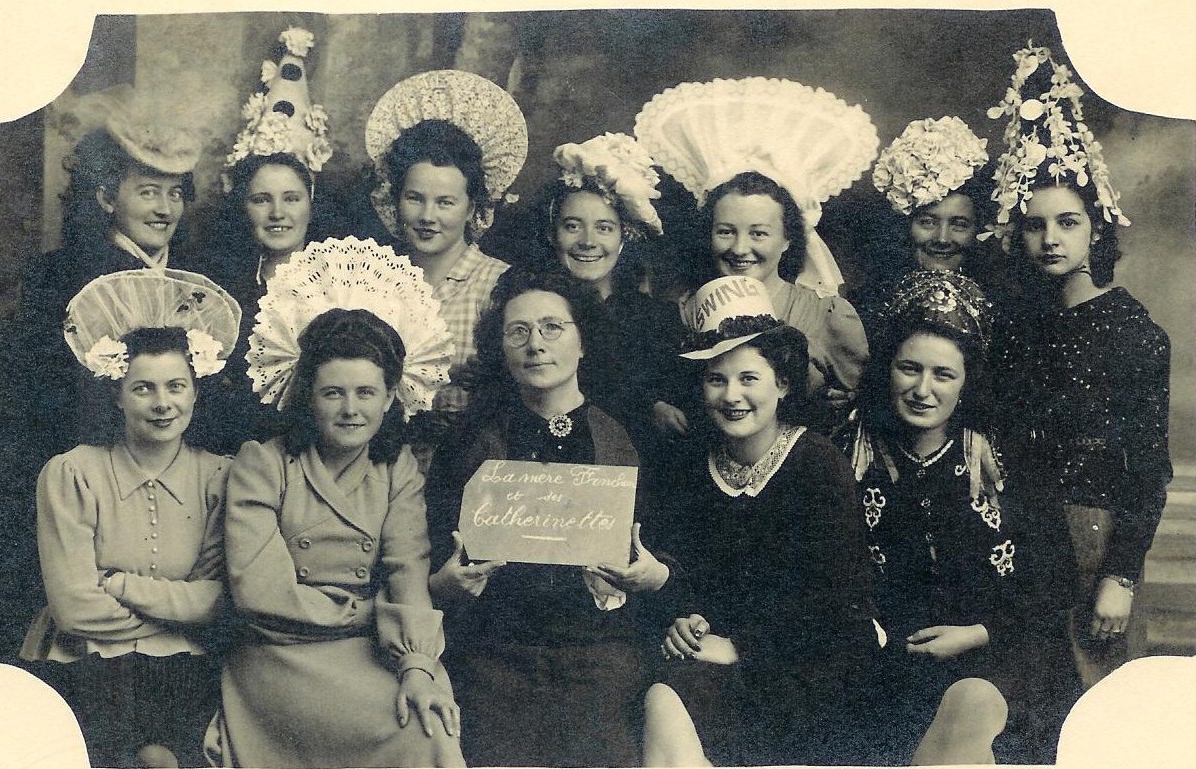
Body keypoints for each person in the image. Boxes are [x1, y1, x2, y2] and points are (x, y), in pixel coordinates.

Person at [207, 240, 464, 768]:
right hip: (281, 654)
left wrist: (417, 666)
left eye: (366, 393)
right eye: (333, 393)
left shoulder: (397, 468)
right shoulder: (263, 463)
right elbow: (260, 595)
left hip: (378, 649)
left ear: (390, 398)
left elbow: (407, 569)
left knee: (429, 729)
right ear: (308, 396)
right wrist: (369, 614)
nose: (351, 410)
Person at [986, 45, 1172, 691]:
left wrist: (1120, 576)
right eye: (1034, 226)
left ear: (1095, 228)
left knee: (1098, 693)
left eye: (1067, 222)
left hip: (1093, 538)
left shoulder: (1131, 331)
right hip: (1018, 533)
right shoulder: (1015, 326)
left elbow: (1148, 467)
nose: (1050, 239)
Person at [425, 268, 666, 767]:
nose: (535, 344)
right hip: (493, 654)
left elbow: (666, 551)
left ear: (583, 341)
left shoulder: (628, 437)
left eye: (552, 328)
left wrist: (653, 572)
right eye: (518, 331)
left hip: (601, 652)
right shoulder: (469, 441)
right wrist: (444, 584)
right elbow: (431, 553)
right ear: (501, 348)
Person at [642, 275, 877, 767]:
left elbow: (841, 598)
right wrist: (685, 618)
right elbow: (686, 572)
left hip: (811, 666)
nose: (732, 395)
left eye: (749, 378)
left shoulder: (817, 463)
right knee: (663, 697)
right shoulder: (691, 467)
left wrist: (740, 646)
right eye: (716, 379)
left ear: (782, 383)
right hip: (717, 661)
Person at [18, 269, 241, 768]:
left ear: (196, 392)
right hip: (86, 667)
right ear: (117, 394)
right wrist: (176, 611)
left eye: (176, 386)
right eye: (143, 388)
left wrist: (119, 585)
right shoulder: (73, 473)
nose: (162, 404)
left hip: (186, 673)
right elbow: (74, 609)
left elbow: (219, 600)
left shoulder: (220, 477)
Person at [847, 269, 1065, 764]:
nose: (922, 389)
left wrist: (977, 633)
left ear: (967, 382)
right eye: (909, 368)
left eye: (943, 374)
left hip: (999, 658)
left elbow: (1055, 583)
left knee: (973, 705)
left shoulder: (1003, 460)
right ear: (887, 370)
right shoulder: (854, 453)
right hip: (886, 671)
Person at [636, 77, 875, 431]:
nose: (739, 248)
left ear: (788, 239)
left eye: (758, 233)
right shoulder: (684, 311)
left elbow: (861, 412)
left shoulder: (827, 317)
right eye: (726, 231)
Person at [17, 101, 201, 463]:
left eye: (175, 193)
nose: (165, 209)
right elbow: (43, 402)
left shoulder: (197, 279)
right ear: (106, 197)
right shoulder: (56, 276)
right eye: (148, 191)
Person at [366, 70, 528, 454]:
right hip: (380, 459)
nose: (427, 216)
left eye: (445, 202)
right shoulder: (373, 280)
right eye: (415, 198)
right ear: (395, 199)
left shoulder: (499, 285)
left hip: (471, 459)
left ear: (471, 207)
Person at [192, 26, 337, 454]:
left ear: (310, 203)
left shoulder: (340, 282)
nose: (277, 213)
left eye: (291, 198)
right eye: (261, 199)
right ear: (244, 206)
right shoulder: (224, 286)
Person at [539, 132, 691, 453]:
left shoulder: (657, 319)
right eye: (572, 226)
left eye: (604, 228)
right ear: (553, 234)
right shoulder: (533, 313)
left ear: (624, 237)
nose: (588, 241)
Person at [857, 116, 998, 342]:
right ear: (904, 225)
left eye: (959, 224)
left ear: (978, 230)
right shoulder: (866, 305)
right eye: (928, 222)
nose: (942, 238)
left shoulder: (1001, 306)